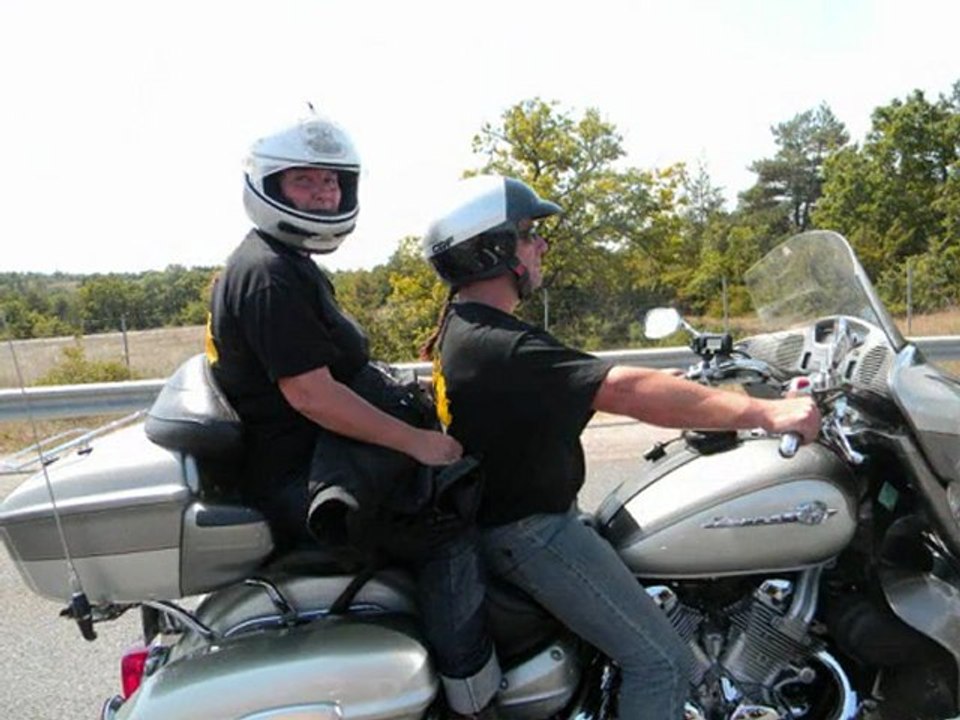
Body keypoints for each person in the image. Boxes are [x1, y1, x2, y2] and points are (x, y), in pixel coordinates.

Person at [420, 174, 822, 720]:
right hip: (532, 533)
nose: (541, 246)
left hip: (523, 521)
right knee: (660, 662)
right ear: (493, 250)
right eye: (529, 234)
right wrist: (766, 412)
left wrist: (693, 387)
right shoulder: (498, 346)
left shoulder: (469, 328)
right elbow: (624, 390)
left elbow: (583, 377)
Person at [205, 113, 499, 719]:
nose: (323, 194)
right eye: (306, 182)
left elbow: (330, 374)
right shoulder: (267, 275)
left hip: (313, 454)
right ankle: (473, 696)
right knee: (450, 528)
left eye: (332, 183)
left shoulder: (284, 263)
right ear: (270, 185)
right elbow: (311, 394)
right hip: (305, 475)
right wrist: (417, 444)